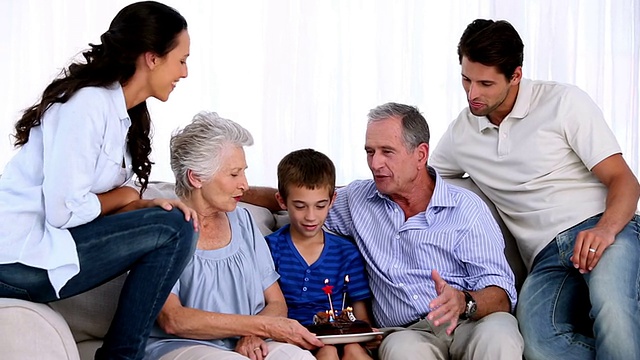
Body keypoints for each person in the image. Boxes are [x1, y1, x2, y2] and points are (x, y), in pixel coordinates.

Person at [244, 103, 523, 359]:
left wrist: (464, 301)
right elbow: (301, 197)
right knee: (403, 352)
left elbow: (501, 294)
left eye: (387, 152)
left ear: (420, 154)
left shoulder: (466, 208)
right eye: (370, 152)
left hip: (470, 322)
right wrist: (231, 190)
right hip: (408, 333)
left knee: (498, 336)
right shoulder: (357, 200)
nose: (375, 163)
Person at [430, 19, 640, 360]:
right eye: (466, 80)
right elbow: (424, 180)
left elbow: (624, 180)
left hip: (602, 229)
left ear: (516, 76)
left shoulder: (563, 102)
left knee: (613, 310)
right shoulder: (461, 133)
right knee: (539, 346)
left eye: (485, 83)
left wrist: (604, 231)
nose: (472, 94)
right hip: (544, 257)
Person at [0, 2, 198, 359]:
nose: (184, 72)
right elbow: (63, 212)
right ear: (152, 58)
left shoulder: (125, 115)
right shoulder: (88, 104)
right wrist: (123, 198)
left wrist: (136, 205)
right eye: (181, 60)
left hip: (47, 253)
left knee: (174, 222)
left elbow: (89, 201)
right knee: (176, 226)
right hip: (18, 258)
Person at [145, 111, 322, 360]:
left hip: (251, 341)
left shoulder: (244, 221)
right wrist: (261, 327)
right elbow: (174, 320)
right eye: (234, 173)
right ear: (196, 177)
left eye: (244, 172)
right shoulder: (162, 229)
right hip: (180, 345)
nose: (245, 185)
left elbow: (276, 303)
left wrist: (253, 334)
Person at [265, 148, 373, 360]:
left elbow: (361, 316)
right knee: (328, 352)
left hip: (339, 336)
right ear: (282, 201)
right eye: (300, 206)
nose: (311, 216)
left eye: (320, 205)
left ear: (332, 200)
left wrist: (365, 336)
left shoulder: (346, 253)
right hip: (289, 340)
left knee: (352, 350)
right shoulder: (270, 248)